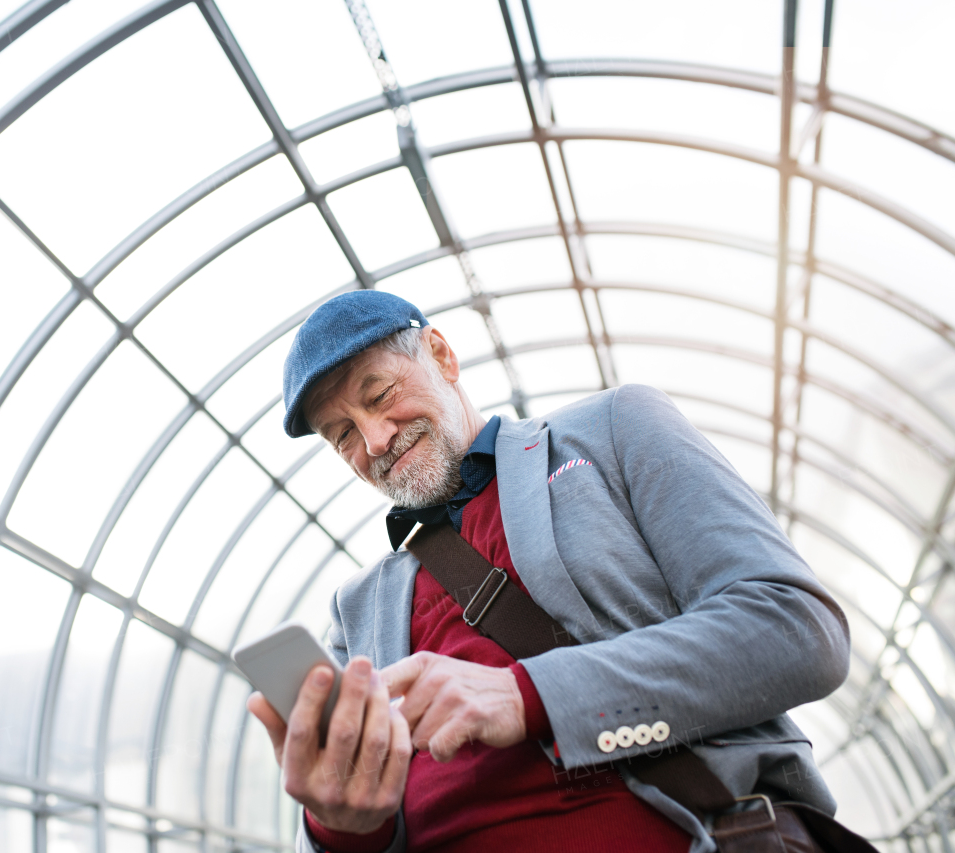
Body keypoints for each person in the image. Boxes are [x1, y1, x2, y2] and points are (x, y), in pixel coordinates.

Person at [246, 290, 851, 853]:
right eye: (343, 434)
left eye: (379, 396)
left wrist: (528, 695)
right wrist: (341, 824)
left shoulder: (614, 431)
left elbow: (798, 629)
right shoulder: (354, 610)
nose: (374, 441)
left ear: (441, 355)